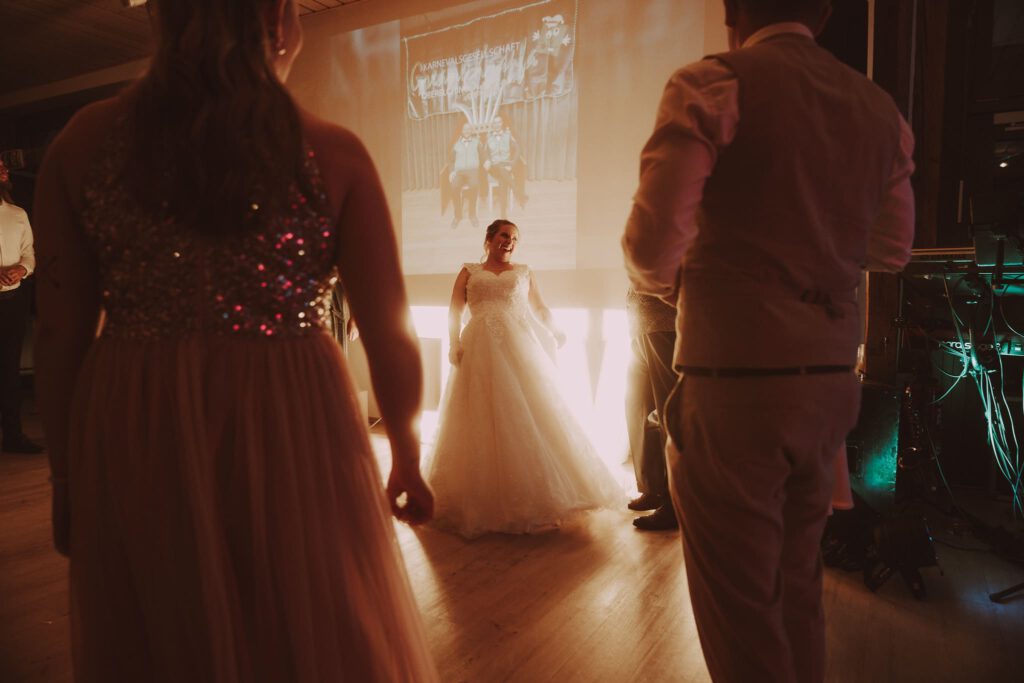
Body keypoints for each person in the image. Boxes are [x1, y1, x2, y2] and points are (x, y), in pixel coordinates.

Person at [32, 1, 438, 680]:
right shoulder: (334, 153)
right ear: (278, 17)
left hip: (137, 417)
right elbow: (391, 334)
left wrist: (67, 477)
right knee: (301, 616)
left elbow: (58, 332)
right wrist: (405, 453)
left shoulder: (80, 144)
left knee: (161, 628)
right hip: (292, 418)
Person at [621, 1, 915, 681]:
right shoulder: (878, 110)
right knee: (798, 592)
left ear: (733, 8)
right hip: (829, 388)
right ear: (827, 10)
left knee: (742, 615)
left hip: (735, 388)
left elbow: (648, 248)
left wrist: (688, 289)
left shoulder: (712, 84)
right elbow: (893, 246)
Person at [428, 219, 621, 537]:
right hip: (478, 347)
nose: (510, 241)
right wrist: (453, 342)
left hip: (519, 348)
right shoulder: (468, 271)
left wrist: (555, 330)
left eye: (515, 238)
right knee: (479, 415)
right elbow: (455, 308)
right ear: (489, 238)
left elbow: (540, 308)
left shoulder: (524, 272)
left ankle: (544, 497)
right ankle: (480, 498)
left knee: (531, 412)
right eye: (504, 235)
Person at [624, 288, 677, 530]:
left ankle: (674, 503)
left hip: (666, 325)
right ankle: (652, 488)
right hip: (640, 327)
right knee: (638, 409)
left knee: (667, 413)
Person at [0, 158, 43, 454]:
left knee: (9, 370)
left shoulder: (18, 214)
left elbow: (30, 252)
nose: (4, 170)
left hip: (12, 302)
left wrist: (22, 270)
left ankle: (13, 436)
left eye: (3, 166)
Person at [483, 115, 527, 218]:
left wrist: (512, 163)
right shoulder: (488, 137)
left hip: (507, 166)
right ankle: (519, 194)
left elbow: (518, 149)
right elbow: (485, 153)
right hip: (494, 168)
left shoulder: (508, 135)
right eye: (495, 123)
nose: (497, 125)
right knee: (500, 168)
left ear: (502, 123)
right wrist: (486, 160)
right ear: (492, 125)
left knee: (503, 179)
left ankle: (503, 213)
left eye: (499, 122)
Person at [446, 123, 484, 229]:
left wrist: (487, 162)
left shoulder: (477, 142)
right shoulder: (456, 144)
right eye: (464, 129)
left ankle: (472, 215)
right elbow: (450, 160)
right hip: (460, 172)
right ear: (462, 131)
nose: (466, 131)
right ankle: (458, 216)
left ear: (471, 131)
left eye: (468, 129)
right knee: (454, 186)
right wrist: (452, 171)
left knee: (474, 186)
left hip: (472, 171)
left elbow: (483, 155)